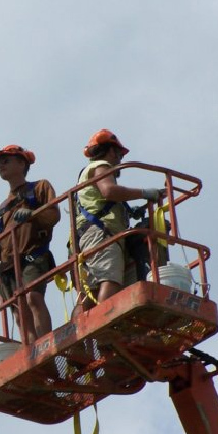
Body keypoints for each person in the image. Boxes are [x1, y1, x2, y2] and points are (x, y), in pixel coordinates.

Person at [0, 145, 59, 344]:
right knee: (20, 314)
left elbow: (53, 215)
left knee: (33, 298)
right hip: (9, 266)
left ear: (22, 163)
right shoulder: (4, 207)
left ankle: (46, 345)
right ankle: (31, 353)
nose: (1, 165)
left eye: (6, 160)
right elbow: (3, 248)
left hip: (33, 255)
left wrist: (33, 215)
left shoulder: (39, 187)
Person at [73, 128, 164, 311]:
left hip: (92, 234)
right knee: (111, 280)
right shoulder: (101, 166)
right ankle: (105, 323)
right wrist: (144, 193)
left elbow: (101, 200)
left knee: (91, 290)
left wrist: (130, 210)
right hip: (103, 233)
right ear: (112, 151)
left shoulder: (88, 172)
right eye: (119, 154)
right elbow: (109, 191)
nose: (119, 159)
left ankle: (82, 334)